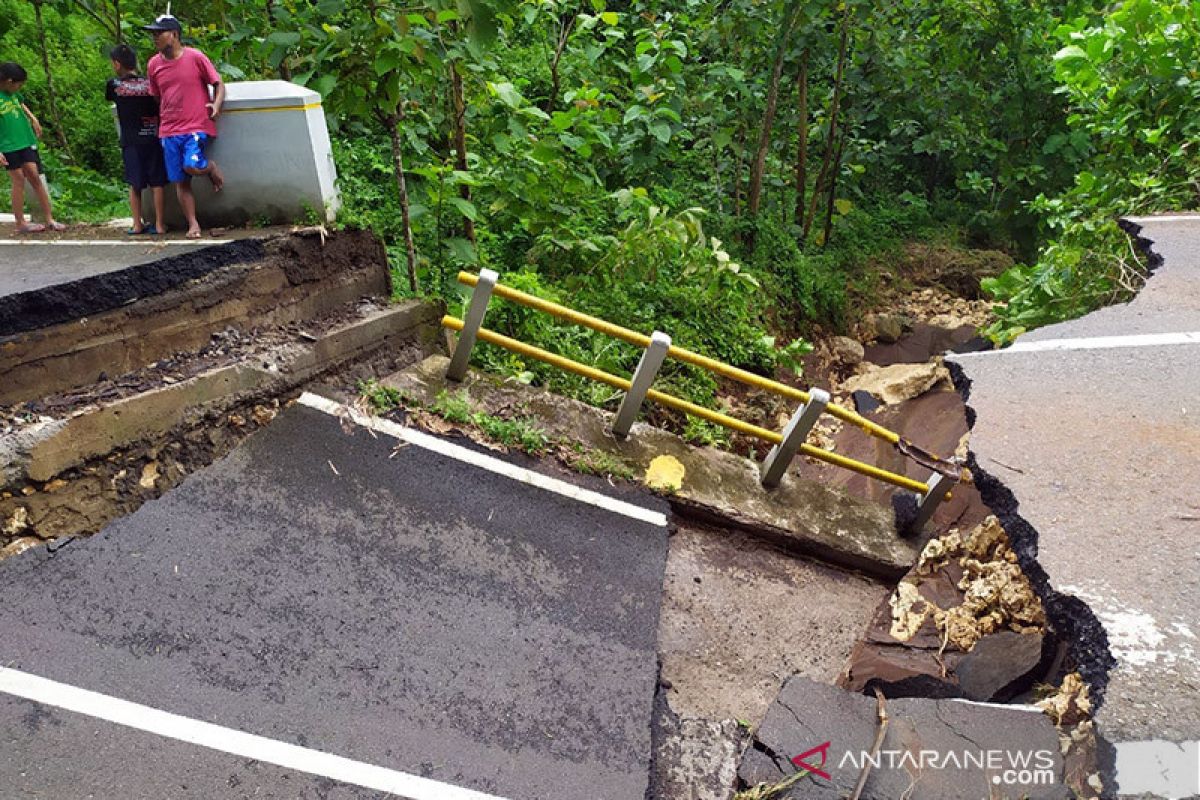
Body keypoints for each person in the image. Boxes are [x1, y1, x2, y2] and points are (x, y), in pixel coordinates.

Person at [143, 14, 225, 239]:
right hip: (169, 130)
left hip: (195, 126)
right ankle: (193, 224)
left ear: (175, 35)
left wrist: (216, 105)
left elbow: (218, 83)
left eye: (159, 33)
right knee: (181, 180)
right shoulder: (153, 64)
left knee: (191, 164)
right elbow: (157, 96)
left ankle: (209, 168)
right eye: (153, 34)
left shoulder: (195, 57)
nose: (155, 38)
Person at [107, 44, 167, 235]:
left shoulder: (114, 85)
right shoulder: (150, 84)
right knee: (157, 183)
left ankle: (137, 224)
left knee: (135, 184)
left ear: (117, 64)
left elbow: (110, 99)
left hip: (131, 140)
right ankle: (159, 224)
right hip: (152, 137)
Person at [0, 62, 66, 234]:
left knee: (35, 177)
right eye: (19, 85)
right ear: (8, 81)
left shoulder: (13, 94)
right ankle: (20, 222)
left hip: (25, 139)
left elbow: (21, 104)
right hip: (7, 145)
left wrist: (32, 118)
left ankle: (49, 218)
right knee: (18, 180)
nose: (19, 88)